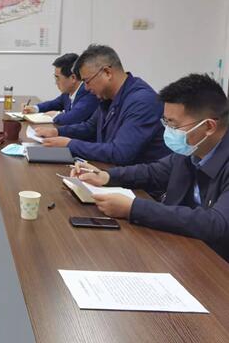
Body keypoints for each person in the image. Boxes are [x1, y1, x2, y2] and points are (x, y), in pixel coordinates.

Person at [71, 74, 229, 262]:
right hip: (185, 249)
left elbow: (215, 224)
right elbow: (153, 172)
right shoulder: (192, 150)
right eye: (165, 122)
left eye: (174, 124)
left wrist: (133, 208)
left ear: (209, 126)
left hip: (216, 264)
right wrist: (106, 176)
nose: (168, 131)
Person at [35, 44, 169, 165]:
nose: (86, 88)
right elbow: (90, 127)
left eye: (87, 81)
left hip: (140, 181)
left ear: (107, 73)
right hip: (112, 171)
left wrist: (70, 144)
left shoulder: (142, 101)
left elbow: (120, 153)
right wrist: (57, 132)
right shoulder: (108, 96)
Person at [22, 52, 98, 126]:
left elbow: (72, 118)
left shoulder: (88, 93)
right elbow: (54, 103)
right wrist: (35, 108)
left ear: (73, 78)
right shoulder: (67, 93)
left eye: (58, 78)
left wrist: (56, 115)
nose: (56, 83)